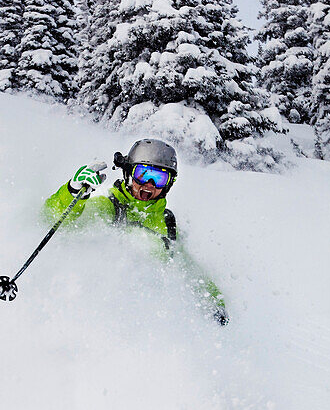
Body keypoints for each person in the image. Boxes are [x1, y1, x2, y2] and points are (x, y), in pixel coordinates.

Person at [44, 138, 229, 324]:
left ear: (168, 184)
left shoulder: (168, 222)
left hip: (152, 321)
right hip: (103, 317)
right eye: (143, 174)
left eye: (159, 178)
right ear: (129, 173)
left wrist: (214, 302)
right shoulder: (110, 208)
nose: (149, 184)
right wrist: (73, 193)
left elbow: (186, 268)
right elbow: (59, 222)